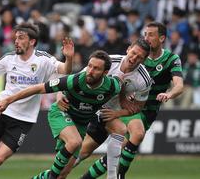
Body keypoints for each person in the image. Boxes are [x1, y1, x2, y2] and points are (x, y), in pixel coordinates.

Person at [0, 22, 74, 179]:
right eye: (15, 38)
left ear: (32, 41)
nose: (16, 41)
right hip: (2, 109)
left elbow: (65, 70)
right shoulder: (8, 59)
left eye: (21, 38)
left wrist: (68, 58)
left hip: (24, 119)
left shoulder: (43, 60)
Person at [76, 22, 184, 179]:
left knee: (116, 153)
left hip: (148, 111)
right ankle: (119, 176)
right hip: (128, 107)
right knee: (136, 135)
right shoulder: (136, 56)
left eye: (151, 35)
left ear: (162, 38)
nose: (146, 38)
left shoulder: (171, 59)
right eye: (145, 34)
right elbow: (121, 77)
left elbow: (179, 85)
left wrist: (169, 94)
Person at [0, 50, 123, 179]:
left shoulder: (112, 86)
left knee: (62, 174)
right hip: (61, 113)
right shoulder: (75, 81)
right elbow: (39, 88)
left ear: (105, 73)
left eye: (96, 68)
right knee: (74, 142)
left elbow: (124, 85)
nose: (90, 71)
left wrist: (127, 108)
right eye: (89, 66)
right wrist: (8, 100)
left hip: (80, 125)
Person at [57, 38, 152, 179]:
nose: (134, 58)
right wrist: (59, 95)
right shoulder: (108, 62)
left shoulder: (143, 79)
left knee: (121, 135)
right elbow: (75, 80)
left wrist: (118, 113)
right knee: (79, 155)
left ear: (144, 60)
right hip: (92, 106)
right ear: (128, 49)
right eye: (133, 53)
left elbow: (138, 107)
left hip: (110, 113)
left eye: (139, 57)